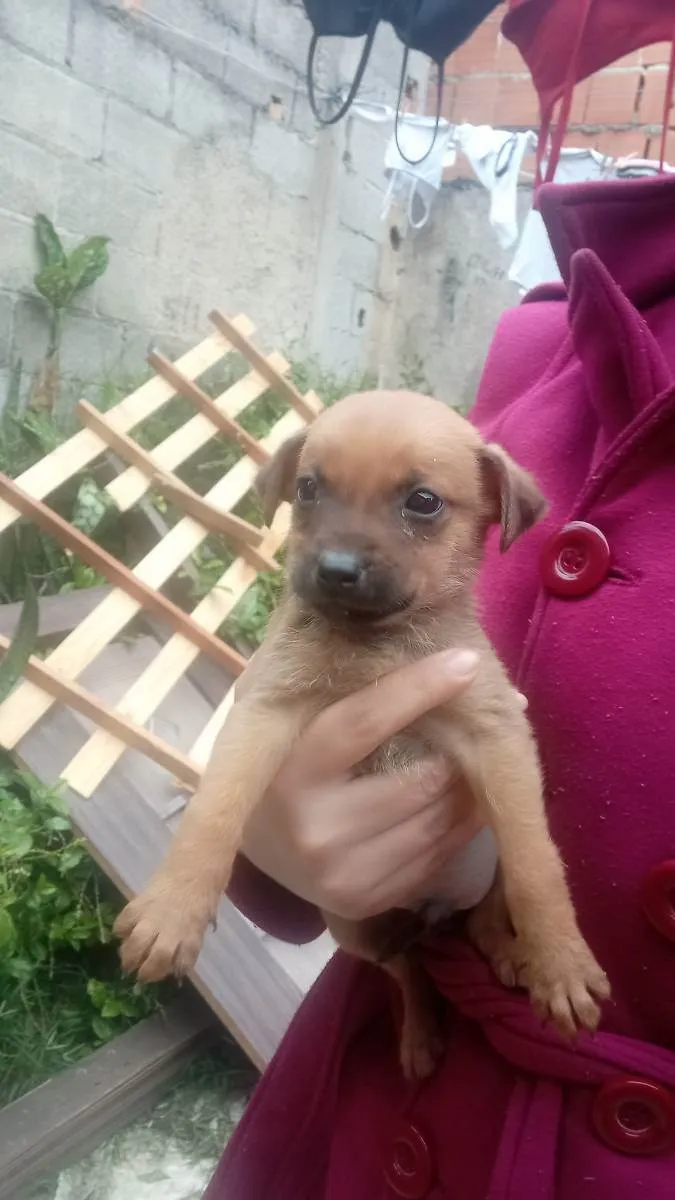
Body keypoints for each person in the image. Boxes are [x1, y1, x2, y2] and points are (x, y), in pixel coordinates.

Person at [204, 169, 675, 1199]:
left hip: (609, 1145)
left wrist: (534, 919)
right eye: (315, 496)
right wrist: (270, 840)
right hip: (383, 1095)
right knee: (395, 947)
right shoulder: (544, 341)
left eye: (424, 505)